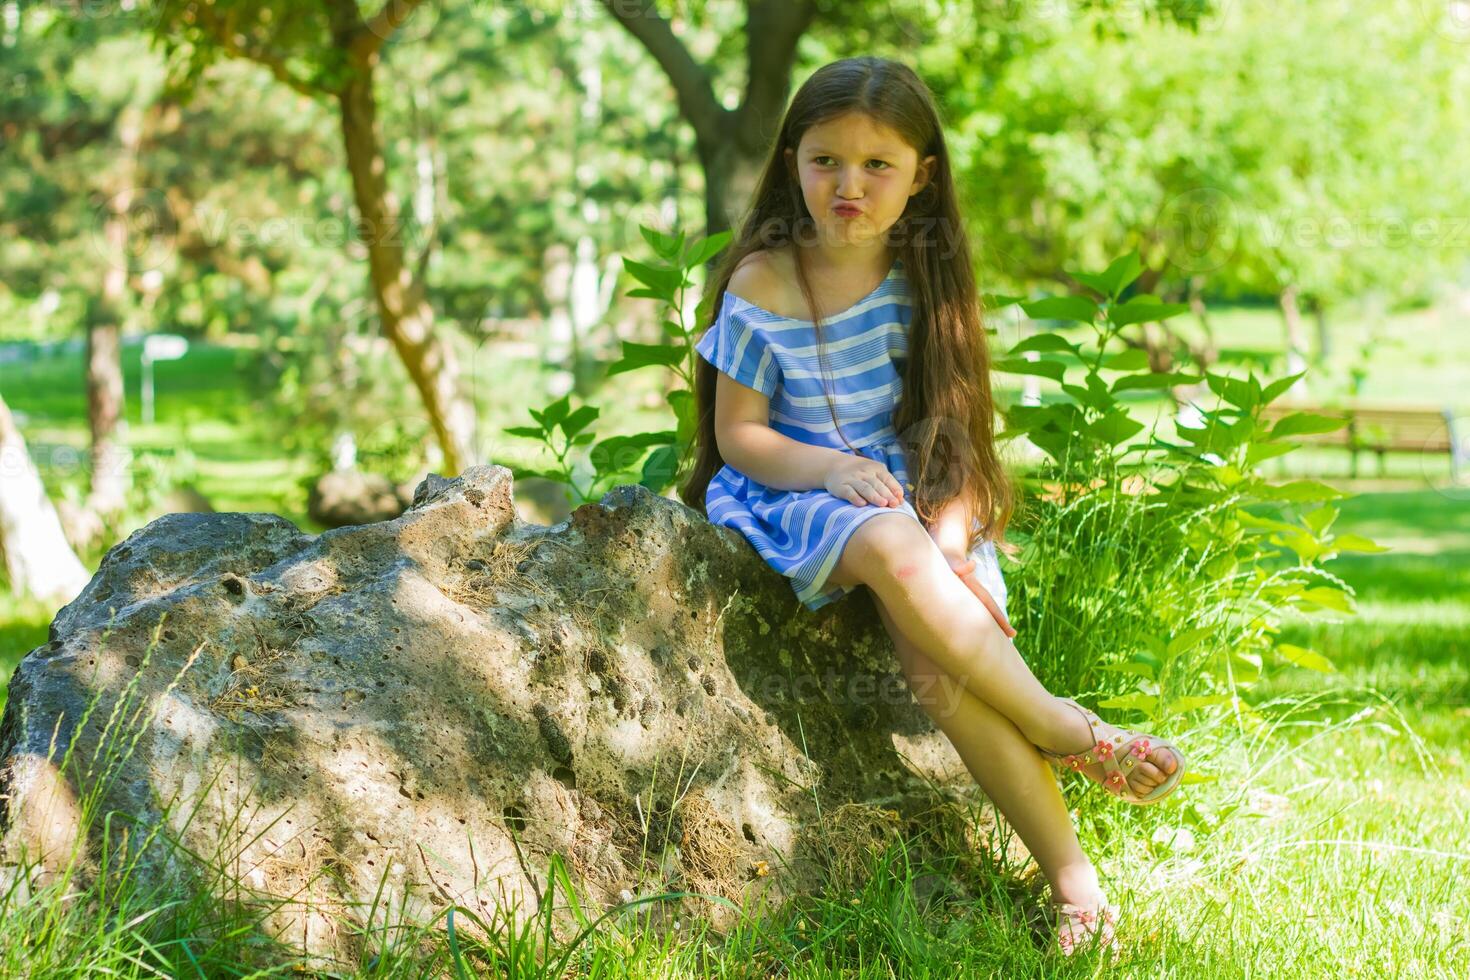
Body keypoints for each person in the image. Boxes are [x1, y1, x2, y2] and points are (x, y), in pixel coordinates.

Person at [678, 56, 1186, 959]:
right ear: (792, 159)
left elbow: (950, 437)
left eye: (879, 165)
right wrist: (832, 470)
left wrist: (950, 535)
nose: (849, 184)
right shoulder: (763, 281)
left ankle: (1077, 887)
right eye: (826, 159)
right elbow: (740, 437)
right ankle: (1065, 725)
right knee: (887, 540)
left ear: (922, 177)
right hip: (796, 485)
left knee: (936, 674)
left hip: (911, 499)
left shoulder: (924, 280)